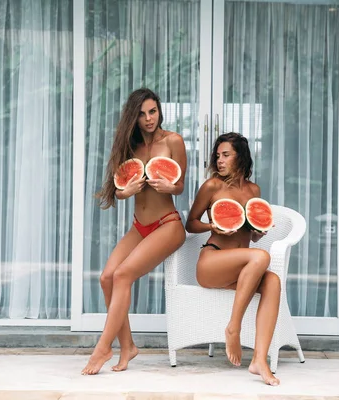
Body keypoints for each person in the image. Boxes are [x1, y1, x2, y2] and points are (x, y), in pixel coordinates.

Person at [82, 88, 187, 375]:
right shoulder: (130, 147)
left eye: (152, 111)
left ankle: (103, 347)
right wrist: (124, 191)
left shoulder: (174, 141)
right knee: (107, 278)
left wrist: (170, 187)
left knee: (123, 275)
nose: (148, 118)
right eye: (141, 114)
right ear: (134, 117)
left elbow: (180, 185)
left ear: (159, 111)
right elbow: (118, 189)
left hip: (168, 225)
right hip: (139, 227)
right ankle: (127, 345)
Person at [185, 132, 281, 386]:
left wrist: (259, 231)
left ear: (241, 157)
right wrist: (212, 227)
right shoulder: (212, 186)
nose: (220, 160)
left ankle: (260, 359)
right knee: (261, 258)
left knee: (273, 282)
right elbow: (191, 223)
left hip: (241, 270)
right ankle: (233, 327)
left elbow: (253, 236)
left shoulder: (254, 190)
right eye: (218, 156)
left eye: (226, 155)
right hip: (212, 262)